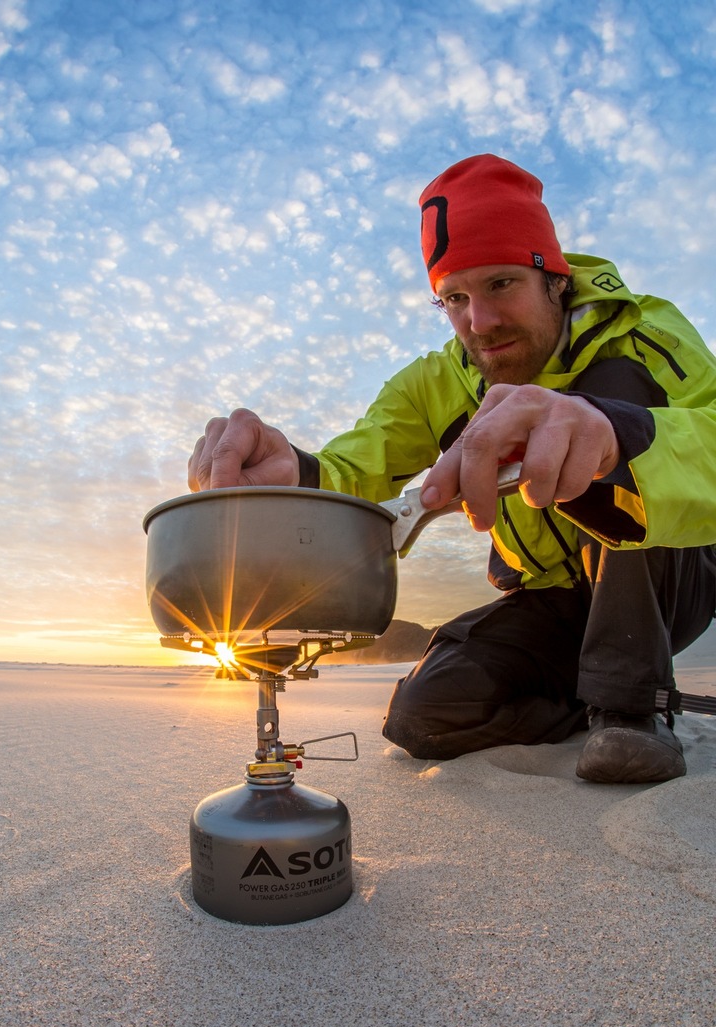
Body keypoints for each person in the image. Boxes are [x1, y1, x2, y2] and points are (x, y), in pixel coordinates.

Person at [189, 154, 716, 784]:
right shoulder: (434, 384)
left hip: (668, 578)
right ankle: (591, 697)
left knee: (609, 402)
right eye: (454, 298)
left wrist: (607, 434)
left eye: (500, 285)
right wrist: (294, 473)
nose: (480, 322)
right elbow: (352, 469)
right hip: (553, 598)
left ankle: (631, 709)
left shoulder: (643, 334)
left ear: (554, 277)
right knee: (425, 714)